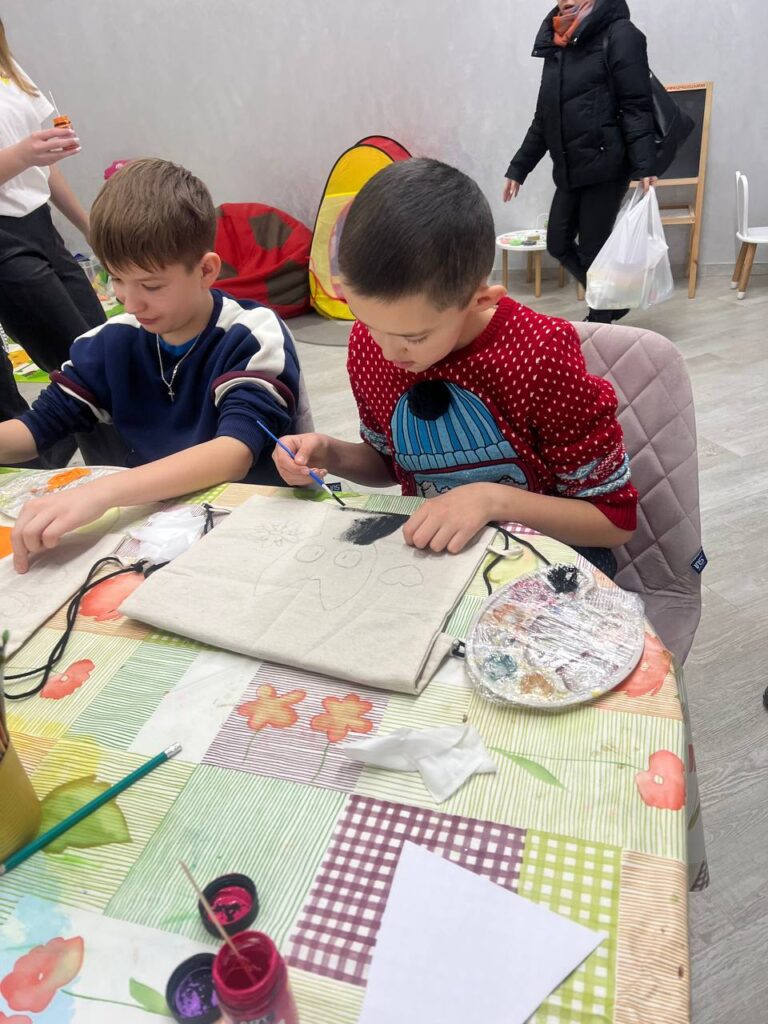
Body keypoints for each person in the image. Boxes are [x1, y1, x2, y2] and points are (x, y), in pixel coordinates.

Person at [273, 158, 636, 575]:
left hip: (546, 556)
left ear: (480, 301)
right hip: (436, 556)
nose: (388, 352)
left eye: (414, 337)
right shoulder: (370, 347)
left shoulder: (540, 355)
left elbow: (613, 521)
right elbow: (391, 463)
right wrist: (329, 452)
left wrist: (491, 500)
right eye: (367, 322)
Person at [1, 158, 303, 573]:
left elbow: (233, 452)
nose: (130, 302)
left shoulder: (250, 335)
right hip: (157, 533)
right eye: (115, 279)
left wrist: (102, 492)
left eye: (151, 285)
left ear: (205, 270)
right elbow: (38, 428)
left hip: (252, 530)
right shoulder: (109, 343)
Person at [503, 0, 657, 323]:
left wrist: (645, 163)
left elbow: (636, 105)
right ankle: (612, 301)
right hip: (570, 166)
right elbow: (544, 118)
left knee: (593, 249)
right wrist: (519, 168)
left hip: (606, 164)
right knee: (558, 243)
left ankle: (600, 321)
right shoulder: (557, 40)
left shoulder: (620, 34)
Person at [0, 17, 108, 462]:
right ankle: (46, 471)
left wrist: (89, 226)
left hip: (40, 224)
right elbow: (29, 155)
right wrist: (22, 154)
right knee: (78, 360)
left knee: (102, 345)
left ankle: (120, 468)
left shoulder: (11, 70)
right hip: (4, 241)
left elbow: (44, 165)